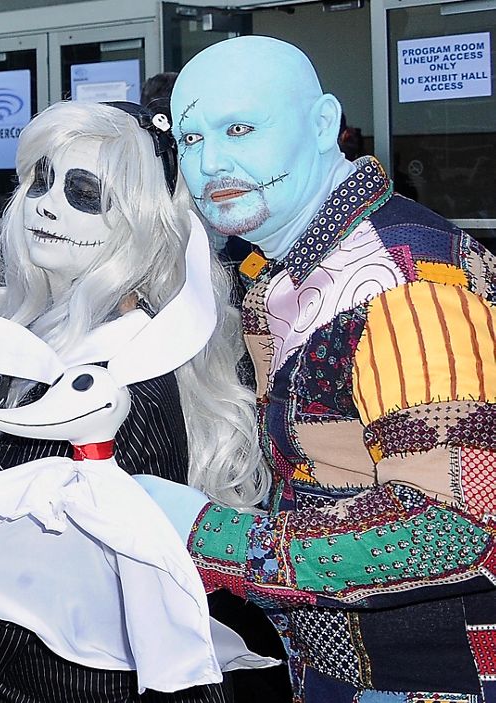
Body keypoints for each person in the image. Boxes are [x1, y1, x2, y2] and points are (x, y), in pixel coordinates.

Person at [132, 35, 496, 701]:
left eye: (240, 128)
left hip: (432, 680)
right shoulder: (285, 270)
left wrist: (208, 534)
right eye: (191, 139)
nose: (211, 163)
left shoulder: (404, 286)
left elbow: (455, 527)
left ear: (324, 124)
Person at [0, 99, 265, 703]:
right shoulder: (93, 340)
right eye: (41, 181)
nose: (46, 205)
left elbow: (24, 587)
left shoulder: (110, 377)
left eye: (84, 193)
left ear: (139, 219)